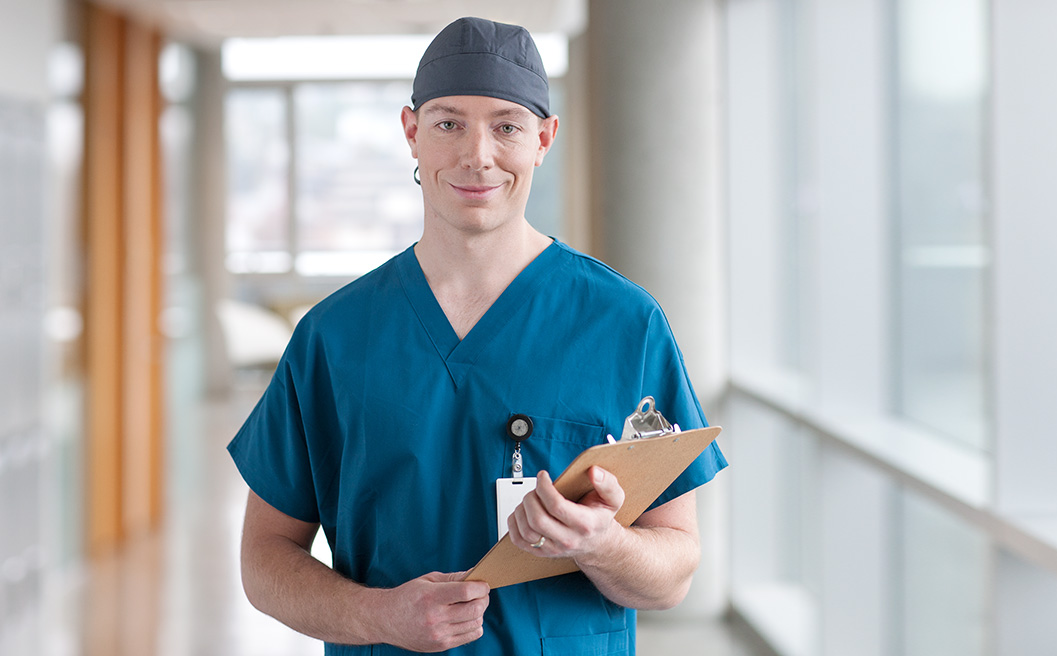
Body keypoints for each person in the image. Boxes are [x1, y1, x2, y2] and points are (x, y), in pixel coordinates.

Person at [229, 16, 727, 655]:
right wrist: (380, 618)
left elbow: (674, 573)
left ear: (544, 138)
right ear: (411, 133)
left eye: (507, 126)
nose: (477, 155)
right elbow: (264, 560)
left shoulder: (624, 325)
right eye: (448, 123)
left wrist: (603, 544)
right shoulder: (334, 337)